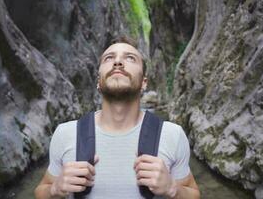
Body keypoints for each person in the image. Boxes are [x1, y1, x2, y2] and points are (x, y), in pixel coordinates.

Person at [34, 36, 200, 199]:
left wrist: (173, 189)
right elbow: (41, 190)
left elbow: (193, 193)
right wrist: (55, 189)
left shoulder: (172, 135)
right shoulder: (66, 133)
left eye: (130, 58)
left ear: (144, 82)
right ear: (98, 81)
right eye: (109, 58)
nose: (118, 62)